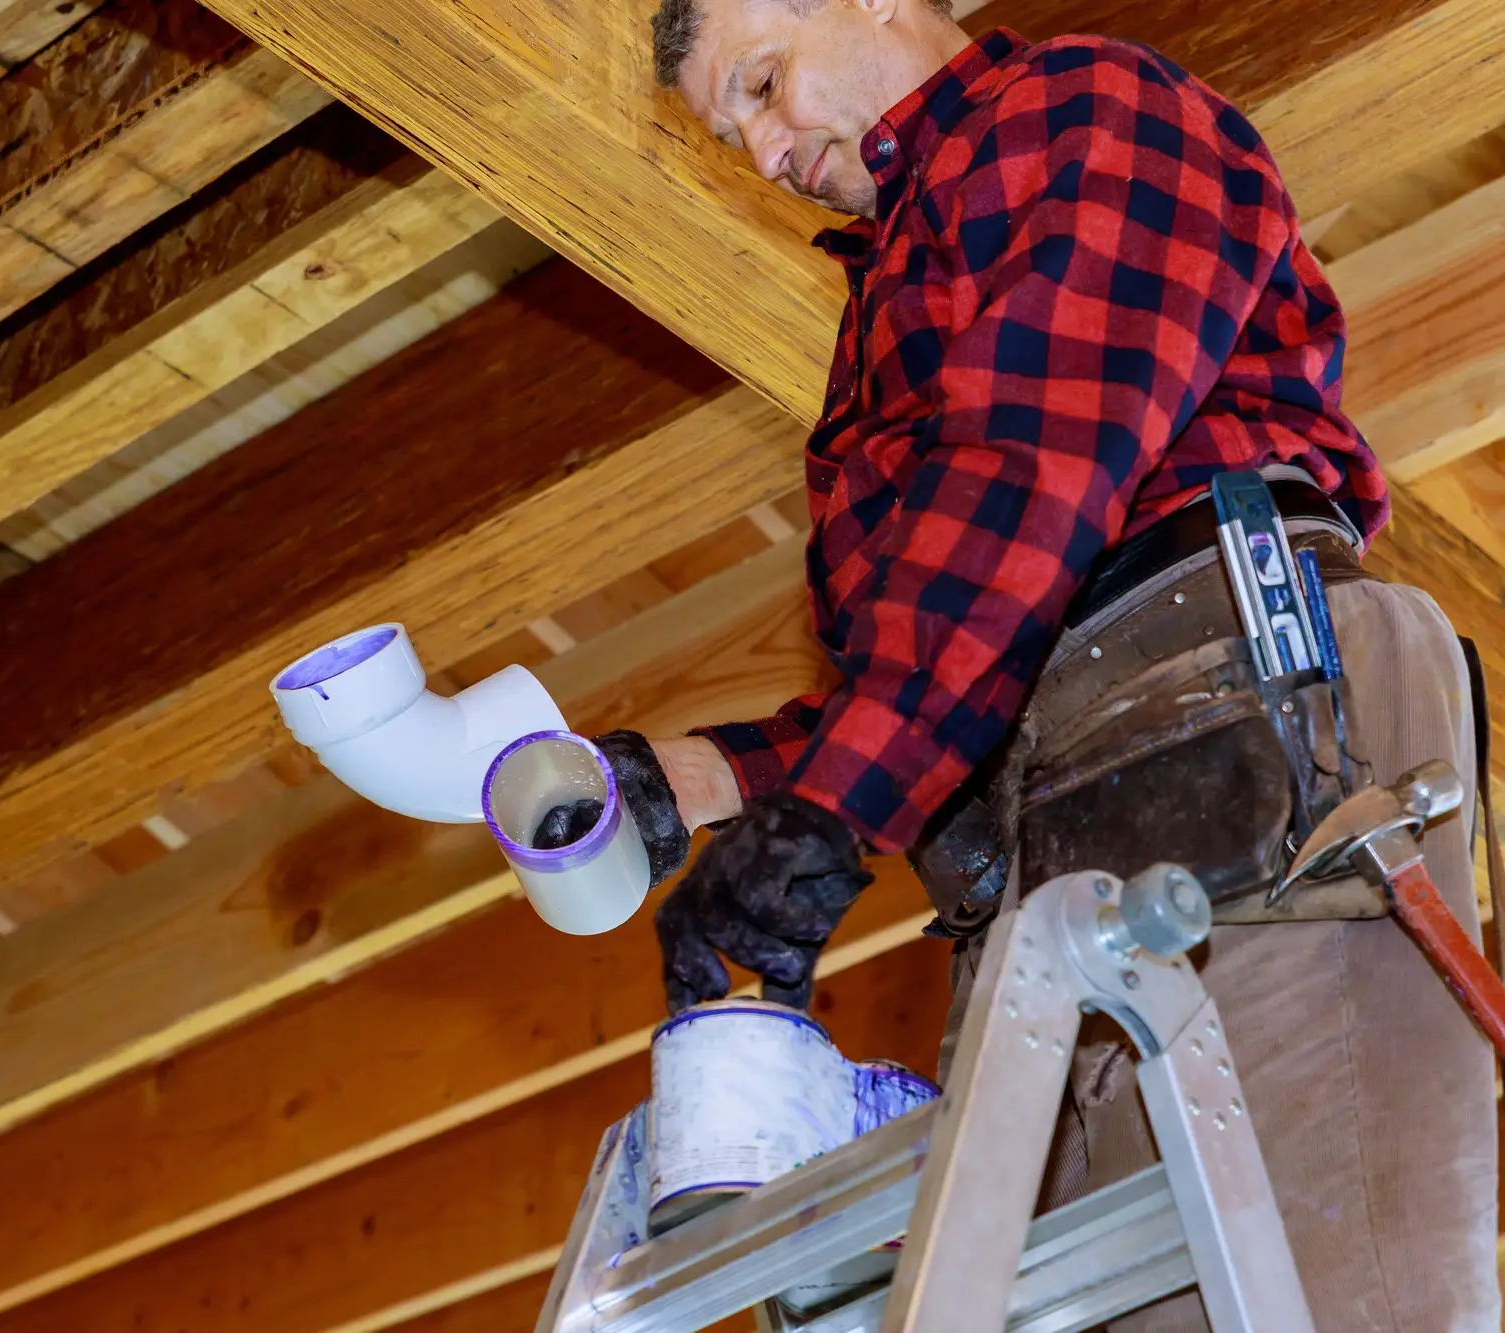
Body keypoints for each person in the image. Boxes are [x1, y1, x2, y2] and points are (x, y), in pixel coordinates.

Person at [558, 0, 1501, 1326]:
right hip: (1054, 827)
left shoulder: (1082, 113)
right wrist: (706, 780)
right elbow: (969, 639)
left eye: (765, 86)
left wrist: (827, 817)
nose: (765, 153)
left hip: (1238, 726)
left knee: (1328, 1262)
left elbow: (1033, 490)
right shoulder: (896, 287)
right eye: (734, 134)